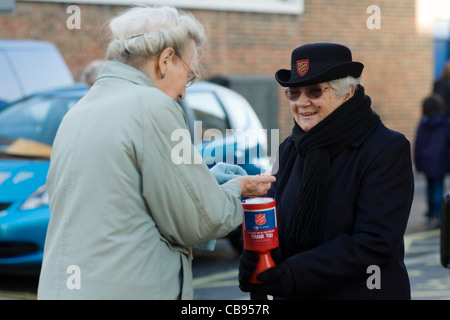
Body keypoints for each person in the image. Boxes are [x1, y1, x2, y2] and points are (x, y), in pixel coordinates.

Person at [37, 6, 275, 300]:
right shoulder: (153, 106)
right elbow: (201, 220)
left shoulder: (80, 110)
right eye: (188, 75)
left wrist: (206, 183)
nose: (183, 94)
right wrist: (235, 189)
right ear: (165, 60)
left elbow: (125, 198)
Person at [239, 43, 414, 299]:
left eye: (315, 91)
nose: (302, 102)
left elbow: (375, 243)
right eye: (294, 93)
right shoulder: (289, 147)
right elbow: (272, 220)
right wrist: (256, 256)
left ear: (348, 93)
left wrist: (294, 274)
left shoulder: (387, 148)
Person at [414, 94, 450, 227]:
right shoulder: (445, 122)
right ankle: (438, 213)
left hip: (426, 160)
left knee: (430, 186)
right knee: (439, 187)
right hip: (440, 160)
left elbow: (418, 143)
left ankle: (430, 212)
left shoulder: (423, 123)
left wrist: (417, 161)